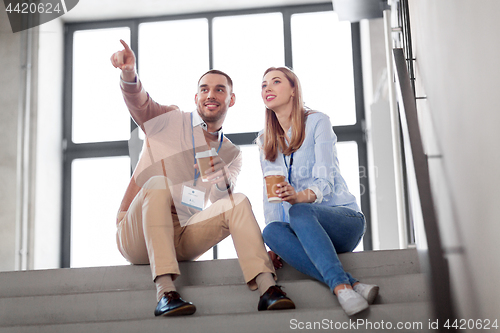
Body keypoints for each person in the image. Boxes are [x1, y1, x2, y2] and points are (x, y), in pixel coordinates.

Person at [110, 41, 295, 317]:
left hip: (182, 234)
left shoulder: (231, 153)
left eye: (220, 90)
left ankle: (268, 289)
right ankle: (165, 292)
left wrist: (221, 183)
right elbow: (141, 106)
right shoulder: (171, 120)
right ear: (196, 98)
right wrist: (129, 74)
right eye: (205, 89)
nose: (211, 94)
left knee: (238, 200)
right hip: (137, 232)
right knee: (158, 185)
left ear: (231, 100)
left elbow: (222, 204)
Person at [257, 66, 379, 316]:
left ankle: (341, 287)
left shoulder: (317, 121)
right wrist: (277, 244)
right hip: (305, 232)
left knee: (300, 212)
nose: (267, 88)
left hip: (342, 221)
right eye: (263, 84)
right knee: (271, 230)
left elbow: (326, 179)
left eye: (276, 82)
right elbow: (271, 198)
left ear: (293, 90)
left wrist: (299, 197)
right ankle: (352, 284)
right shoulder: (265, 139)